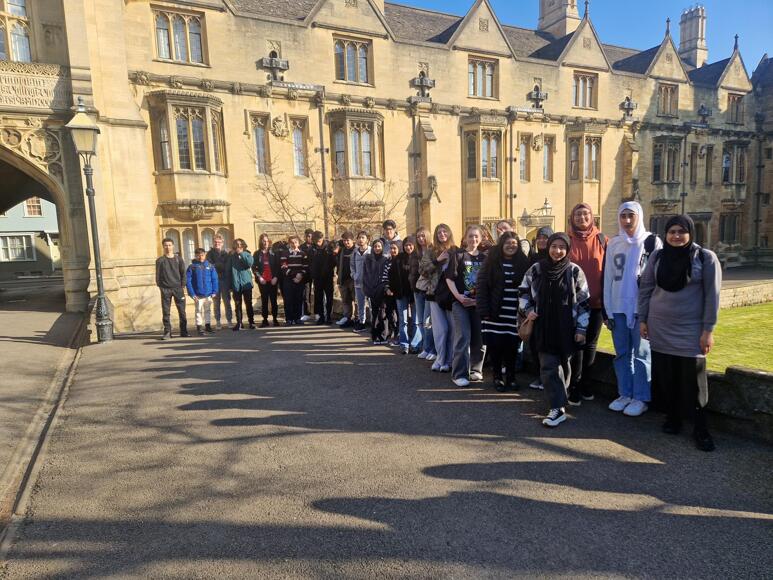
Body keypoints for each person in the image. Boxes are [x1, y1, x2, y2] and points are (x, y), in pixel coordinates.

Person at [639, 215, 721, 452]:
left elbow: (712, 297)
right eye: (672, 231)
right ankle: (673, 418)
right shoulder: (657, 257)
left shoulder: (705, 258)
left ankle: (701, 428)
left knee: (694, 382)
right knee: (667, 377)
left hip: (690, 329)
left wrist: (708, 330)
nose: (676, 236)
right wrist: (642, 319)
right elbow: (646, 289)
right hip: (660, 326)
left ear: (690, 233)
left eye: (681, 231)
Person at [519, 232, 590, 428]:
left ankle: (560, 400)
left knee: (564, 365)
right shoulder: (536, 269)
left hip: (567, 327)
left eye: (562, 247)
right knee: (549, 366)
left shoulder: (574, 271)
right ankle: (557, 408)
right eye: (554, 246)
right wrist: (528, 310)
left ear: (567, 250)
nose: (557, 251)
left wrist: (581, 328)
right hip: (543, 326)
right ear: (548, 247)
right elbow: (523, 290)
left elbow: (584, 301)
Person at [603, 201, 661, 417]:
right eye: (623, 216)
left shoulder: (652, 242)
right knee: (622, 354)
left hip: (641, 309)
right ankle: (625, 393)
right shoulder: (614, 243)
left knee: (642, 355)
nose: (627, 220)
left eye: (631, 216)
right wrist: (608, 310)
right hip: (618, 307)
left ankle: (641, 397)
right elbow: (608, 277)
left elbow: (657, 279)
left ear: (639, 216)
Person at [477, 231, 531, 391]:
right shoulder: (491, 261)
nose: (510, 246)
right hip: (494, 312)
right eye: (507, 243)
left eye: (514, 243)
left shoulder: (523, 262)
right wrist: (484, 310)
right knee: (495, 347)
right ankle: (497, 377)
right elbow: (481, 286)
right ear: (501, 244)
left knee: (512, 347)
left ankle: (511, 377)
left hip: (514, 312)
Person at [567, 203, 608, 405]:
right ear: (572, 218)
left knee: (590, 345)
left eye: (586, 214)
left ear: (592, 217)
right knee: (576, 344)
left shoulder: (603, 240)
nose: (582, 217)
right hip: (573, 304)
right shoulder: (566, 239)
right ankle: (574, 385)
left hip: (596, 303)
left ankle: (586, 384)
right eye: (578, 214)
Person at [446, 225, 487, 387]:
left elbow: (488, 282)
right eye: (470, 236)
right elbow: (449, 278)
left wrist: (477, 301)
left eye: (476, 236)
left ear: (481, 238)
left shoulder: (485, 258)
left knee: (479, 337)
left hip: (478, 304)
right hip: (460, 303)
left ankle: (476, 369)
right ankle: (459, 374)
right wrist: (458, 296)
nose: (473, 239)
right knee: (463, 336)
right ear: (465, 238)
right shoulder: (458, 256)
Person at [418, 224, 456, 373]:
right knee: (441, 330)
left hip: (452, 295)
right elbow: (422, 270)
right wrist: (437, 261)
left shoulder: (456, 250)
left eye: (444, 231)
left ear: (449, 233)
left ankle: (449, 361)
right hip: (434, 294)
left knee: (452, 330)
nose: (442, 234)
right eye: (439, 232)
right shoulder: (431, 251)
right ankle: (440, 359)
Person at [410, 226, 436, 359]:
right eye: (418, 236)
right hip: (418, 288)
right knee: (420, 321)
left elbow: (429, 270)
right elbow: (413, 271)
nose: (420, 239)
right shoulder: (416, 252)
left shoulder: (433, 250)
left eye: (423, 236)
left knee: (428, 321)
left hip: (429, 289)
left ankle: (432, 349)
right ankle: (426, 348)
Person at [156, 237, 189, 340]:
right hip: (166, 289)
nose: (168, 247)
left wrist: (182, 286)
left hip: (178, 289)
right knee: (166, 312)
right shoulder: (160, 260)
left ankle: (184, 331)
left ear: (173, 246)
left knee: (182, 311)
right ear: (163, 246)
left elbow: (183, 273)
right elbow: (158, 276)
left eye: (170, 245)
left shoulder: (179, 259)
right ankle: (167, 332)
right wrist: (161, 287)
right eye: (166, 245)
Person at [186, 247, 219, 335]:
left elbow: (214, 279)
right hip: (198, 295)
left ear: (205, 255)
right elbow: (188, 281)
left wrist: (214, 291)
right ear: (195, 256)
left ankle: (208, 325)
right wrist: (192, 294)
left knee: (208, 310)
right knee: (198, 311)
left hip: (208, 294)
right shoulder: (192, 267)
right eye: (198, 255)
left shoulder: (210, 266)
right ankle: (199, 327)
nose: (200, 257)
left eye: (202, 255)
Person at [363, 239, 390, 344]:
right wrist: (367, 289)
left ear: (382, 247)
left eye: (379, 246)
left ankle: (384, 336)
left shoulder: (386, 259)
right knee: (374, 313)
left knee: (383, 313)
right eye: (375, 246)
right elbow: (365, 275)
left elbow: (387, 275)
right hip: (372, 290)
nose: (377, 248)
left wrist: (385, 288)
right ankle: (375, 336)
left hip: (382, 290)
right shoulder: (368, 259)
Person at [391, 237, 415, 353]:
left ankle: (415, 344)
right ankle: (404, 344)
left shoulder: (418, 257)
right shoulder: (398, 258)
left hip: (415, 293)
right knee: (403, 320)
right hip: (401, 293)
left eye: (410, 245)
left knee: (416, 321)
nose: (408, 247)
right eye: (406, 245)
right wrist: (393, 289)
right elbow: (392, 275)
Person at [281, 234, 309, 325]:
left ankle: (297, 318)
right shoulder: (285, 254)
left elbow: (305, 267)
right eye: (292, 243)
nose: (294, 244)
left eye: (295, 242)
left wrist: (300, 275)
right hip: (288, 280)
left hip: (300, 280)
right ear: (289, 244)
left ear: (298, 243)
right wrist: (294, 276)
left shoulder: (303, 254)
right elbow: (284, 267)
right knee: (288, 300)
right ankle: (289, 319)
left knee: (298, 299)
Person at [252, 233, 279, 327]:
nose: (265, 243)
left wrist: (276, 277)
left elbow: (278, 266)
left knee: (274, 300)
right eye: (263, 241)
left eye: (267, 241)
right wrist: (259, 277)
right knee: (264, 300)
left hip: (272, 280)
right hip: (263, 281)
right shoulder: (257, 254)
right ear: (260, 242)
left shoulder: (273, 253)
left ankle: (275, 319)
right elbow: (254, 268)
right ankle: (265, 320)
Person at [205, 234, 232, 330]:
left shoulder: (226, 253)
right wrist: (220, 265)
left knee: (227, 301)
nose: (217, 244)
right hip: (214, 281)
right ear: (213, 242)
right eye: (215, 242)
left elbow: (228, 267)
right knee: (216, 302)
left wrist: (217, 265)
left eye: (219, 242)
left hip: (225, 280)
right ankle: (218, 322)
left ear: (222, 243)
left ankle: (229, 321)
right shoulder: (209, 254)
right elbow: (210, 266)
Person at [309, 231, 336, 325]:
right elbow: (309, 262)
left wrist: (329, 269)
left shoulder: (329, 246)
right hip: (317, 277)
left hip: (328, 276)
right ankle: (321, 316)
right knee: (318, 298)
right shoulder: (311, 248)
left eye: (319, 241)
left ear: (322, 239)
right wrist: (313, 273)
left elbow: (334, 260)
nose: (318, 243)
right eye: (316, 241)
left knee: (329, 297)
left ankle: (328, 316)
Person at [229, 238, 255, 331]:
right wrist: (230, 285)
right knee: (237, 304)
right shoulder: (231, 257)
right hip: (236, 284)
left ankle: (251, 322)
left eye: (240, 245)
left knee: (249, 304)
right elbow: (228, 271)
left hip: (246, 284)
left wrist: (242, 254)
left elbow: (249, 264)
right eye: (237, 245)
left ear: (243, 246)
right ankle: (239, 323)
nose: (238, 247)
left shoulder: (247, 254)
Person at [350, 230, 371, 332]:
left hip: (370, 283)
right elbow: (352, 266)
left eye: (363, 237)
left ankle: (374, 323)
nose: (361, 239)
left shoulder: (371, 251)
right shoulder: (355, 252)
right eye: (359, 237)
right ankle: (362, 322)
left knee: (371, 304)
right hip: (358, 283)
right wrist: (354, 275)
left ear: (367, 239)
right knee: (360, 304)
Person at [336, 231, 356, 327]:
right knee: (345, 300)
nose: (346, 242)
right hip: (343, 279)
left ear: (353, 240)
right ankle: (347, 318)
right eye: (344, 240)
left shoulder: (356, 250)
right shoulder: (342, 250)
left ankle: (357, 319)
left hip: (353, 280)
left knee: (356, 300)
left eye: (348, 240)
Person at [300, 228, 315, 321]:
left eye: (310, 236)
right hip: (306, 273)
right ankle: (306, 313)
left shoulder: (316, 246)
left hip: (315, 273)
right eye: (307, 236)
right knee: (306, 294)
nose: (308, 238)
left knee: (318, 294)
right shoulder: (301, 247)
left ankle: (318, 313)